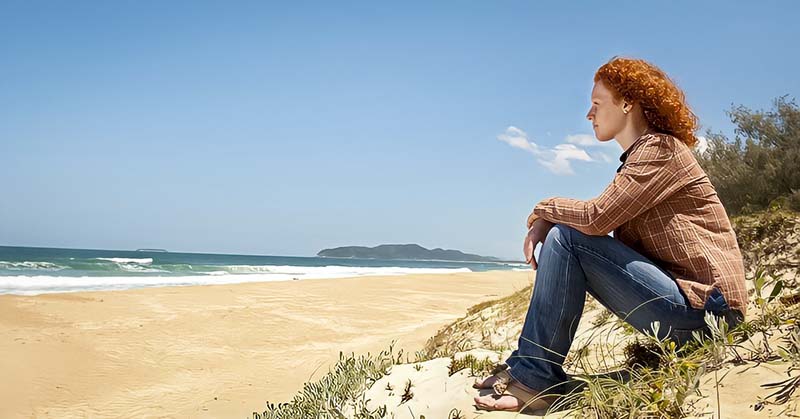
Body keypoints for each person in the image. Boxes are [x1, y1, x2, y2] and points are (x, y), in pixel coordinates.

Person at [472, 56, 748, 414]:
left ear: (627, 103)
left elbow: (595, 217)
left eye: (597, 104)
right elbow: (597, 219)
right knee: (567, 234)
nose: (589, 114)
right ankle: (528, 368)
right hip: (695, 310)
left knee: (567, 237)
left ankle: (535, 378)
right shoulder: (642, 157)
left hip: (709, 314)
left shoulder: (661, 151)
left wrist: (543, 209)